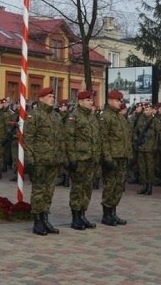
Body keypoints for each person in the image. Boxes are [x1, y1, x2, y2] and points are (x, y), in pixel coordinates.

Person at [24, 86, 64, 236]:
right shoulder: (34, 115)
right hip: (39, 160)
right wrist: (30, 160)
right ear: (40, 99)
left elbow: (60, 139)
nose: (52, 99)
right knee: (39, 191)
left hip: (53, 160)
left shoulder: (56, 116)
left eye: (53, 97)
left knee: (49, 192)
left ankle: (45, 218)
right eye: (49, 97)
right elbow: (28, 139)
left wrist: (61, 157)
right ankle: (37, 221)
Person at [64, 90, 101, 230]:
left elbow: (96, 139)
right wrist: (72, 158)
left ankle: (83, 215)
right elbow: (69, 139)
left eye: (91, 100)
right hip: (79, 159)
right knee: (78, 188)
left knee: (87, 189)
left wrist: (97, 156)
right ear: (80, 102)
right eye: (87, 100)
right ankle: (75, 217)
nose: (90, 102)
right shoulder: (74, 117)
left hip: (91, 159)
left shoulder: (92, 117)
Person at [99, 90, 132, 225]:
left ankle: (113, 212)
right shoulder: (105, 117)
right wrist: (107, 158)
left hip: (122, 157)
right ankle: (106, 214)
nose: (120, 103)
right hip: (112, 157)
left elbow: (126, 138)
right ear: (110, 100)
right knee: (110, 186)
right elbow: (103, 139)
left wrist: (129, 155)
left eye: (120, 101)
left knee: (119, 186)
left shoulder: (120, 117)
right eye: (118, 100)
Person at [134, 102, 159, 196]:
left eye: (147, 109)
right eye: (144, 110)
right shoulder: (140, 120)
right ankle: (144, 186)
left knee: (150, 168)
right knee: (142, 168)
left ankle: (149, 187)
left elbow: (158, 135)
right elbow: (135, 132)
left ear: (152, 110)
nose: (145, 111)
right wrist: (136, 140)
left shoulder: (155, 121)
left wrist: (155, 147)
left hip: (150, 148)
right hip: (141, 148)